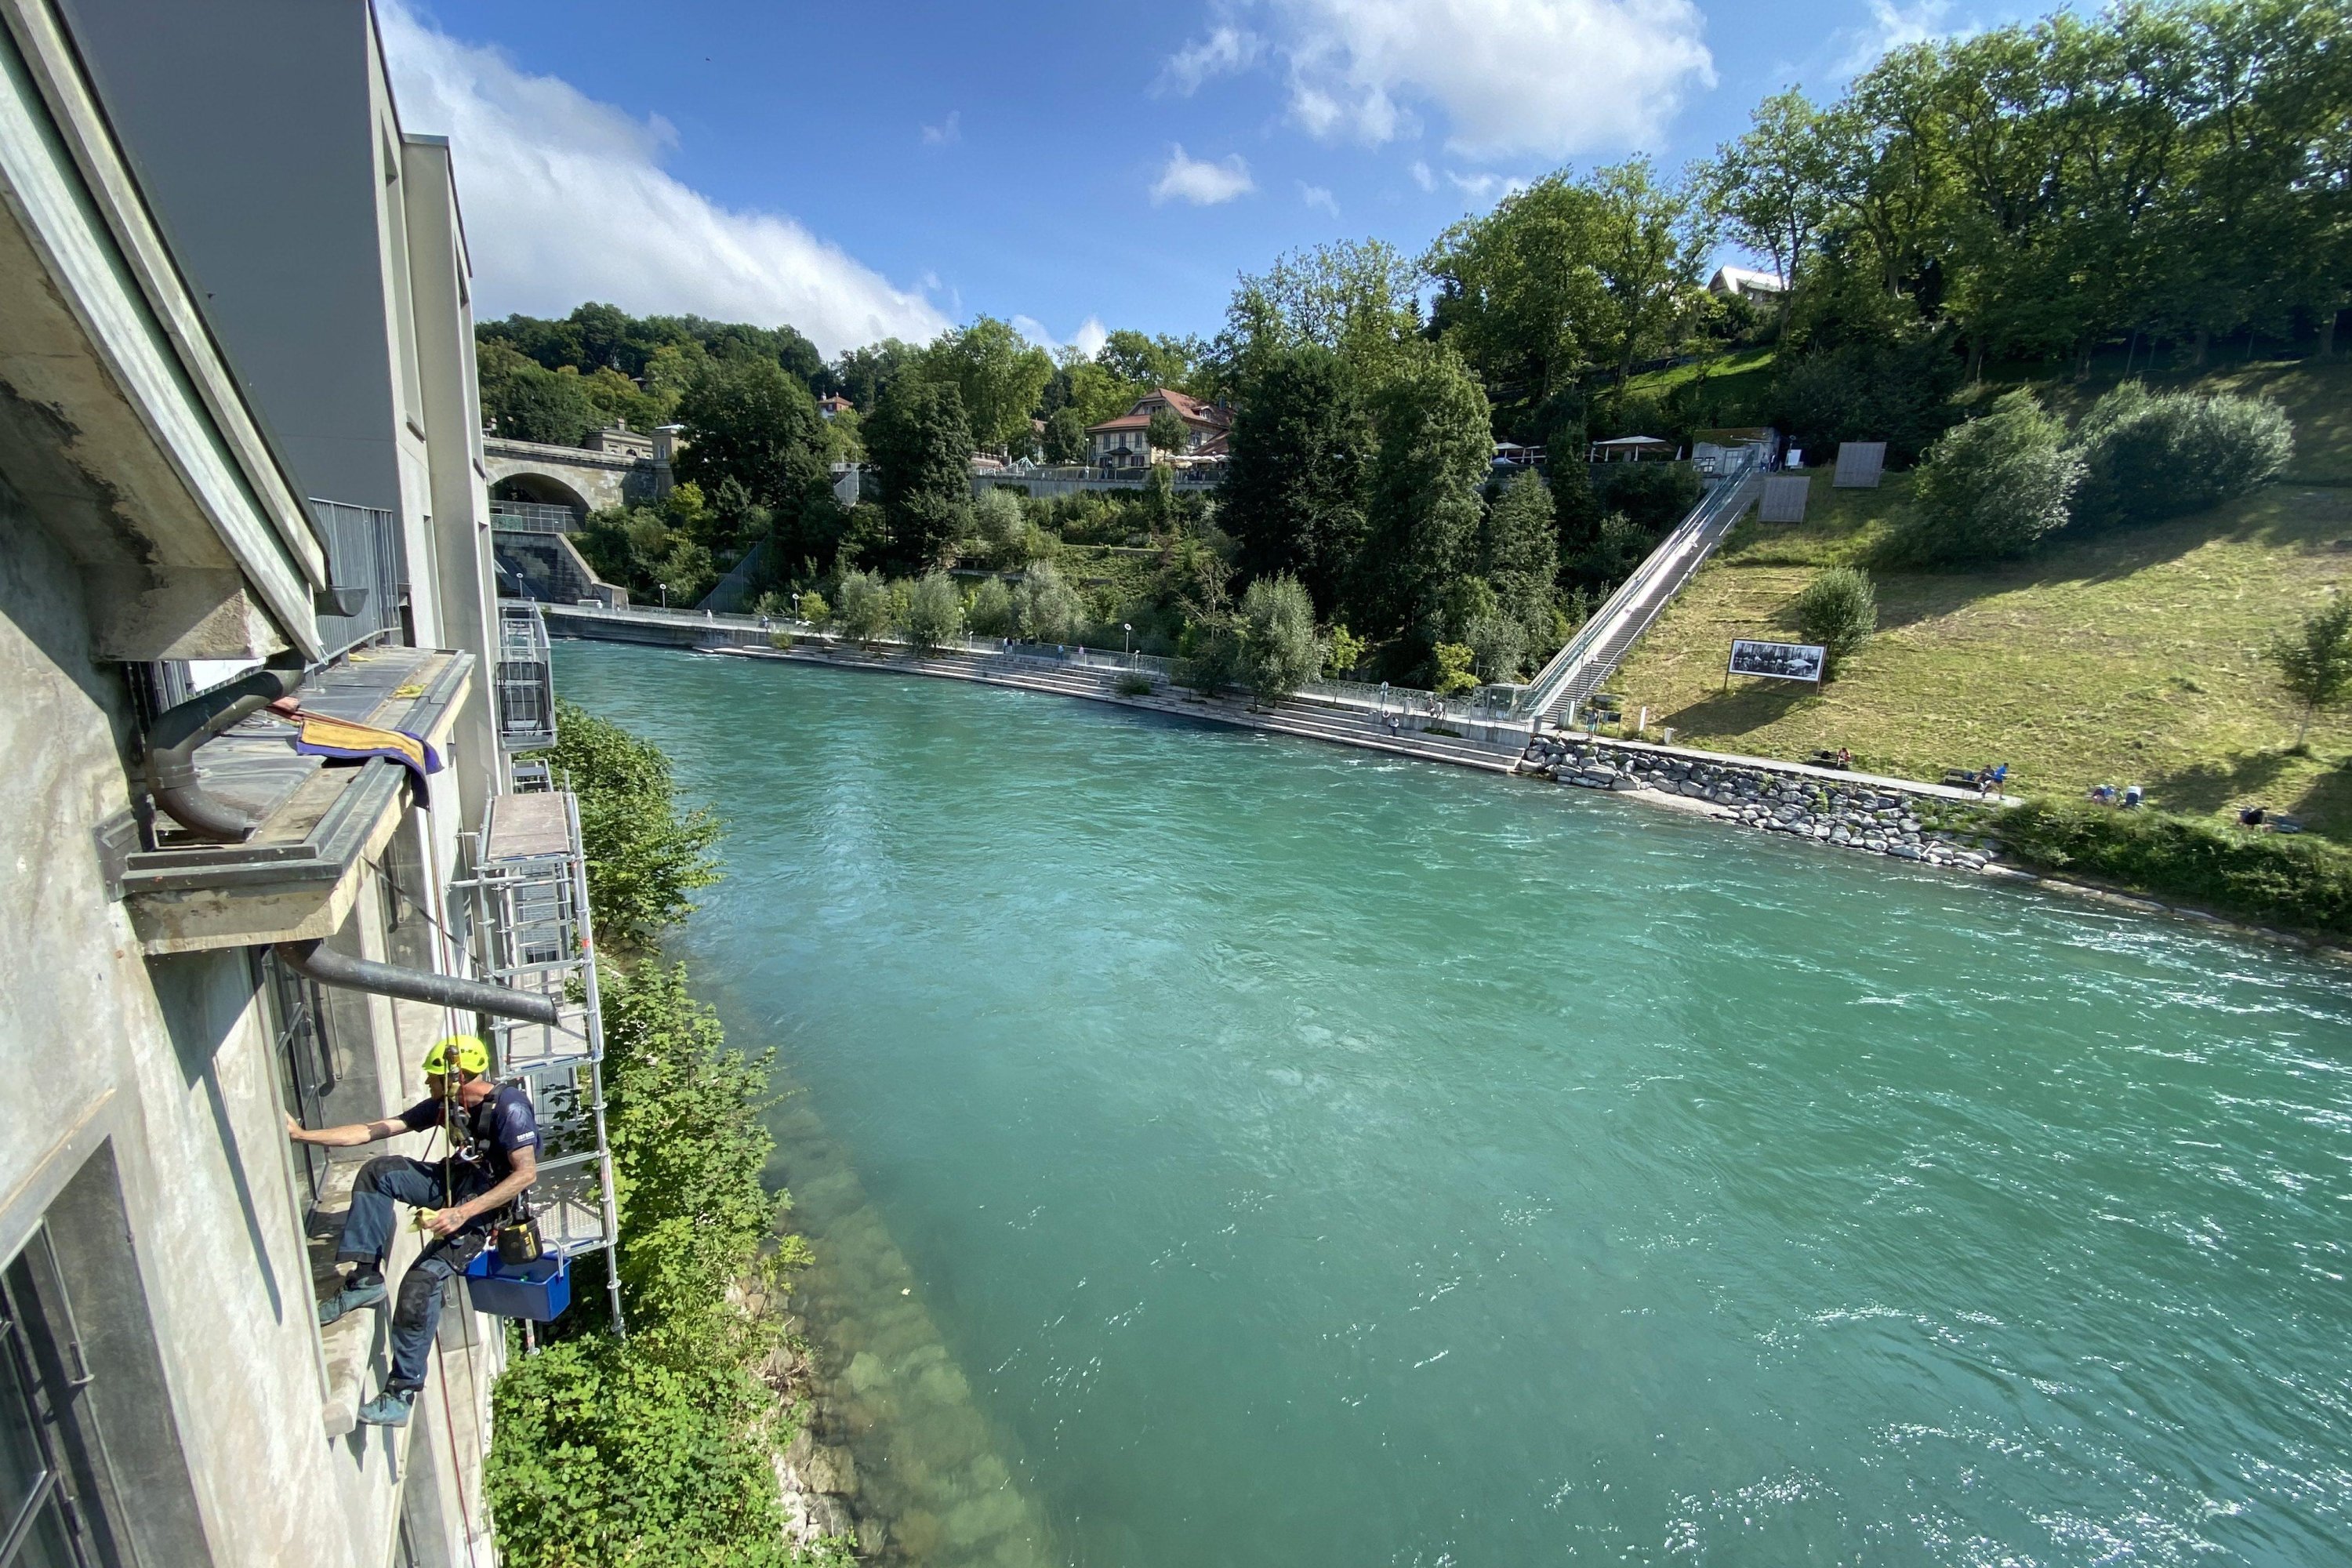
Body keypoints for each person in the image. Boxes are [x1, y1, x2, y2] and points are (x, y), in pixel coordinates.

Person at [288, 1035, 539, 1428]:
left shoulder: (510, 1110)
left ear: (456, 1077)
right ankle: (365, 1279)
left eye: (433, 1078)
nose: (427, 1084)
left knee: (420, 1284)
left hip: (484, 1210)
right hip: (453, 1180)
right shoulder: (447, 1106)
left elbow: (526, 1174)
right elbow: (375, 1131)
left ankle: (400, 1394)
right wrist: (303, 1136)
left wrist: (462, 1214)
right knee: (379, 1172)